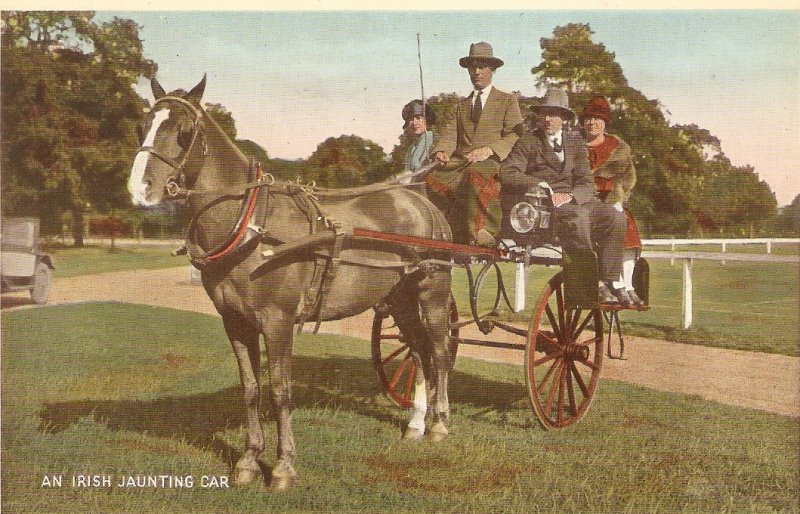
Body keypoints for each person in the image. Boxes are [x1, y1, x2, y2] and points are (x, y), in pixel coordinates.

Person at [500, 88, 629, 305]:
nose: (548, 119)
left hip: (572, 201)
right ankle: (591, 282)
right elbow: (507, 172)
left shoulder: (575, 144)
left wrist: (570, 196)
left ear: (564, 118)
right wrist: (537, 184)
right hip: (543, 208)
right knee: (578, 217)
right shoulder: (528, 142)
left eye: (554, 114)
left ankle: (610, 280)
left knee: (616, 217)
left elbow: (586, 182)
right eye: (544, 114)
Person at [426, 41, 524, 245]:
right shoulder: (461, 105)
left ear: (492, 70)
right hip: (461, 163)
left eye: (482, 67)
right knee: (432, 178)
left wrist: (489, 150)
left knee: (475, 174)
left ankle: (484, 232)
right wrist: (442, 151)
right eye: (473, 67)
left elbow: (514, 135)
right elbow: (450, 134)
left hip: (492, 163)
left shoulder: (507, 100)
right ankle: (442, 230)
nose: (476, 72)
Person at [581, 96, 644, 306]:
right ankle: (612, 282)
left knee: (626, 224)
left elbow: (628, 177)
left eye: (597, 119)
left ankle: (626, 284)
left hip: (610, 199)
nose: (592, 123)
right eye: (588, 119)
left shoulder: (616, 147)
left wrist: (618, 196)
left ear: (605, 122)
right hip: (584, 200)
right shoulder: (575, 145)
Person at [401, 99, 436, 173]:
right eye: (411, 119)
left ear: (427, 119)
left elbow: (416, 166)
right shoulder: (412, 146)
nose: (414, 122)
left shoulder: (429, 137)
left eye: (418, 118)